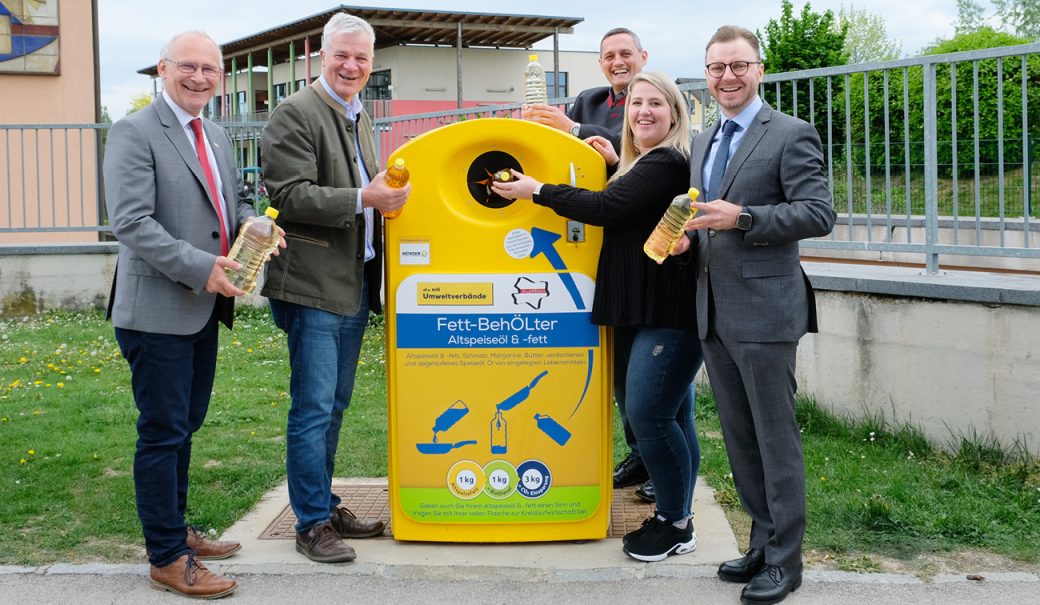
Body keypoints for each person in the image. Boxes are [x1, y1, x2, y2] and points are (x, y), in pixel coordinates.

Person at [494, 71, 702, 562]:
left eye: (656, 104)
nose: (644, 111)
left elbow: (609, 207)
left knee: (649, 415)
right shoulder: (642, 162)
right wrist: (610, 159)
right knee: (674, 415)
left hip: (665, 312)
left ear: (675, 114)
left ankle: (674, 522)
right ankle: (681, 515)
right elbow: (625, 197)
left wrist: (535, 190)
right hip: (640, 306)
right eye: (636, 104)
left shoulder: (670, 161)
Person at [671, 25, 836, 605]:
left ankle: (786, 564)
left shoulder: (790, 133)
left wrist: (742, 219)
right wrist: (690, 240)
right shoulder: (706, 140)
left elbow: (817, 214)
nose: (727, 77)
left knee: (774, 439)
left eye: (738, 66)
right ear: (707, 74)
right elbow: (704, 216)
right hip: (712, 312)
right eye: (716, 68)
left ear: (759, 69)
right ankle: (762, 543)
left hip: (766, 312)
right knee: (741, 440)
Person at [105, 30, 266, 599]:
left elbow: (234, 200)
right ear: (162, 69)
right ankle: (167, 559)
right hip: (156, 311)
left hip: (203, 309)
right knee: (162, 432)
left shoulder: (217, 134)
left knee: (184, 427)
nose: (200, 77)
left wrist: (258, 230)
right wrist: (203, 267)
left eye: (210, 69)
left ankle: (178, 532)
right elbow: (131, 221)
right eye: (188, 67)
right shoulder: (134, 131)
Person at [260, 12, 409, 564]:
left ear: (372, 64)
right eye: (342, 55)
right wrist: (366, 201)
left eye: (362, 58)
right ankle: (311, 523)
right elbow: (291, 195)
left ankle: (322, 502)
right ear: (319, 57)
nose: (351, 65)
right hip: (312, 287)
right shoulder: (294, 112)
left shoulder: (359, 114)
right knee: (314, 408)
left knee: (334, 405)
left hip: (351, 285)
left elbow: (369, 188)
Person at [523, 27, 656, 501]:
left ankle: (662, 470)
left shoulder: (657, 97)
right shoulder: (589, 99)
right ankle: (640, 455)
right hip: (595, 247)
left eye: (626, 53)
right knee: (620, 367)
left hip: (645, 250)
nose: (618, 62)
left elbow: (647, 147)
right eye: (609, 55)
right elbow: (570, 160)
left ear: (643, 56)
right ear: (601, 63)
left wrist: (575, 131)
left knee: (652, 376)